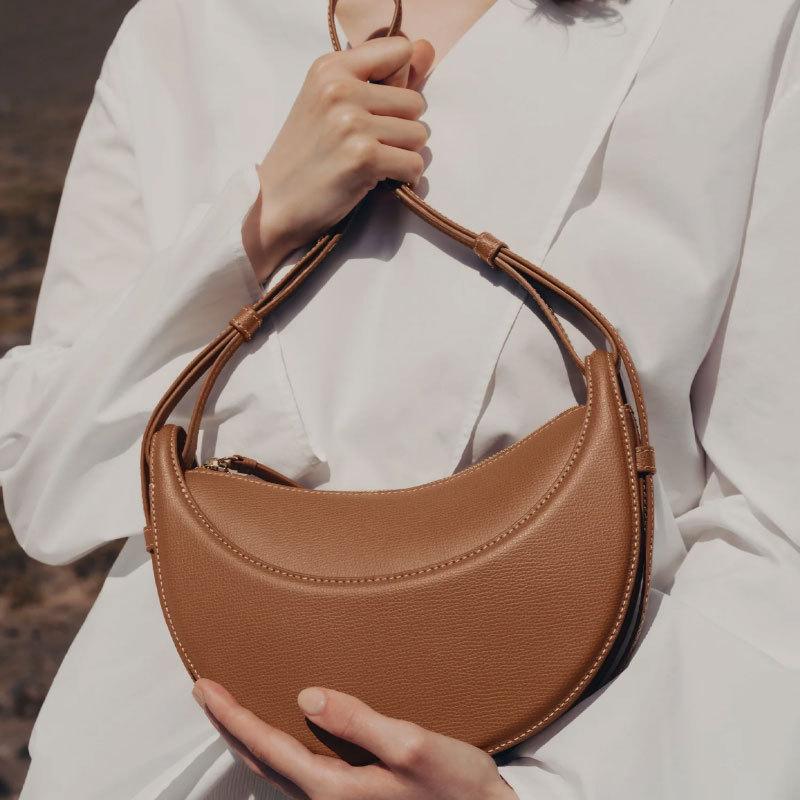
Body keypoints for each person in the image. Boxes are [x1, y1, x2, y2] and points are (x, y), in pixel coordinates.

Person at [2, 0, 799, 797]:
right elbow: (46, 484)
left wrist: (533, 795)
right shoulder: (183, 26)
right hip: (156, 756)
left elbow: (773, 534)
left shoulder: (736, 27)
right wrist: (256, 220)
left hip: (583, 749)